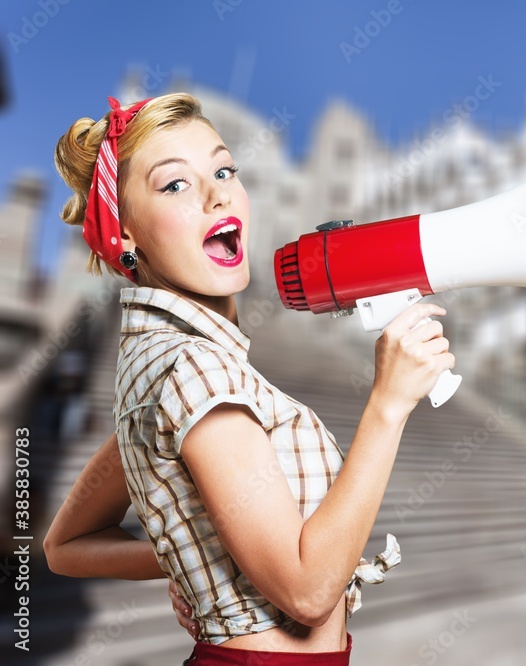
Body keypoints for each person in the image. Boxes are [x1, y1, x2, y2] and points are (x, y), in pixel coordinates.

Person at [43, 93, 455, 664]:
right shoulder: (194, 370)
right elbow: (308, 592)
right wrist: (389, 405)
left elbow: (66, 546)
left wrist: (205, 558)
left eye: (223, 169)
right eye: (174, 185)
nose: (217, 194)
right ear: (125, 234)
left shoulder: (168, 366)